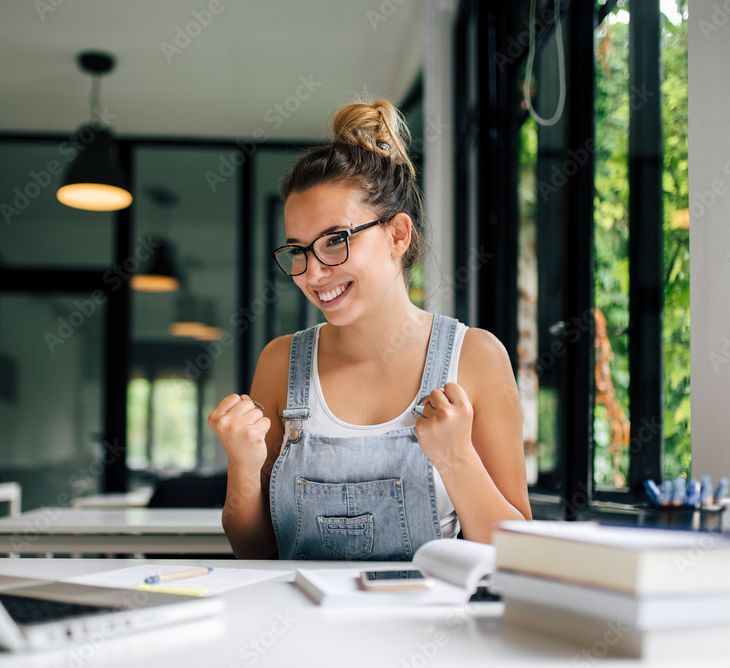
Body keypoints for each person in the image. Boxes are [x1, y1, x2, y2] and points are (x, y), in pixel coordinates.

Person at [208, 99, 531, 560]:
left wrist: (457, 458)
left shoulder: (476, 357)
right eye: (298, 251)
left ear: (398, 235)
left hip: (427, 630)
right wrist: (242, 467)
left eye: (335, 241)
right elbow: (255, 553)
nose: (313, 273)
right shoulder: (280, 363)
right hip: (297, 629)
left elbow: (517, 556)